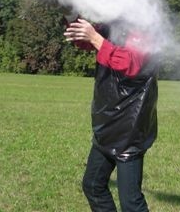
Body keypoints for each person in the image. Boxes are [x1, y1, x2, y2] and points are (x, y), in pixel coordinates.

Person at [64, 18, 158, 212]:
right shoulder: (114, 23)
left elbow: (131, 62)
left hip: (129, 130)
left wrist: (95, 37)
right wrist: (69, 13)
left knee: (131, 203)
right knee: (93, 185)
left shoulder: (143, 25)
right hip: (108, 125)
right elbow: (84, 41)